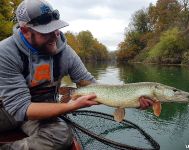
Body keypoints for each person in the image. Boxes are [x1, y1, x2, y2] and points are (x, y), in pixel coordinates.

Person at [0, 0, 153, 149]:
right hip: (6, 111)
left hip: (42, 115)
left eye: (57, 27)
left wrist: (132, 100)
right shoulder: (6, 53)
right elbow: (21, 109)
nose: (56, 34)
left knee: (61, 135)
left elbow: (93, 87)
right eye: (47, 31)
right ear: (25, 31)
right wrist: (70, 107)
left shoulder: (66, 53)